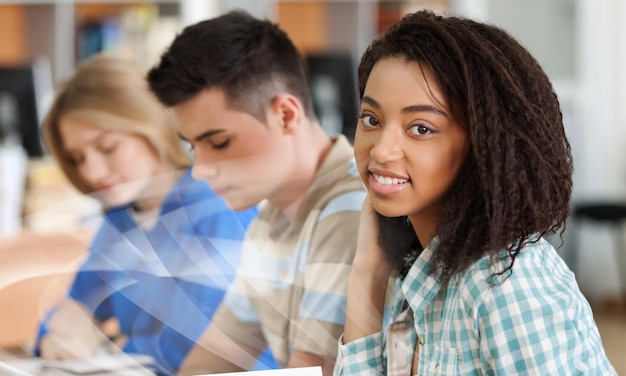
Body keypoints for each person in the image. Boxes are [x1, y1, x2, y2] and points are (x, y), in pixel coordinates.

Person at [335, 10, 617, 375]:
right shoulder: (423, 271)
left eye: (420, 128)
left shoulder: (507, 283)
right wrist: (366, 275)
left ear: (484, 146)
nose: (381, 151)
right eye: (372, 119)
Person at [147, 10, 366, 376]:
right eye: (192, 147)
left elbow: (313, 372)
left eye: (218, 141)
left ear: (285, 115)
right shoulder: (270, 222)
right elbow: (209, 364)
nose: (200, 169)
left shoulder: (349, 210)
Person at [34, 54, 265, 376]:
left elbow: (194, 348)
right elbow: (68, 312)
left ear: (151, 125)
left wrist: (101, 345)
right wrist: (56, 339)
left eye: (107, 147)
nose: (92, 171)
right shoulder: (118, 222)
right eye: (77, 158)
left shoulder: (218, 204)